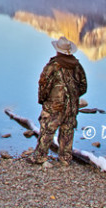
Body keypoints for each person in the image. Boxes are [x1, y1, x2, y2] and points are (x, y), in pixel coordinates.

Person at [28, 36, 87, 165]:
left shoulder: (53, 66)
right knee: (67, 131)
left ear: (58, 51)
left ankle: (40, 157)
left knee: (47, 130)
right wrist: (73, 98)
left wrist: (43, 100)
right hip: (71, 106)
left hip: (54, 106)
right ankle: (65, 158)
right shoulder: (77, 66)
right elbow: (83, 86)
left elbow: (44, 85)